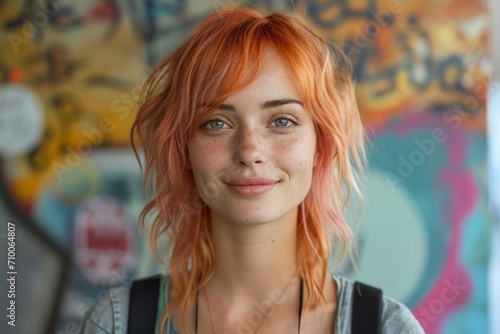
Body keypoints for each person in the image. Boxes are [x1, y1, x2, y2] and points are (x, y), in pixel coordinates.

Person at [79, 6, 424, 334]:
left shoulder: (386, 327)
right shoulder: (115, 322)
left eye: (282, 121)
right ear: (183, 150)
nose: (249, 151)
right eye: (216, 122)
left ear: (320, 145)